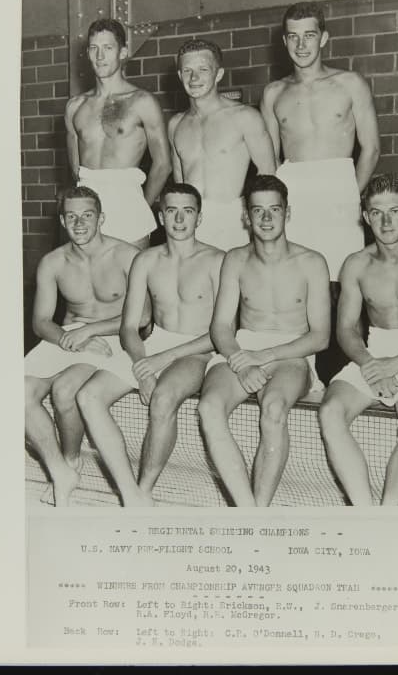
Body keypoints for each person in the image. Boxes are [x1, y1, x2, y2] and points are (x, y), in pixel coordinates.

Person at [75, 183, 224, 506]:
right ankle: (129, 490)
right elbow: (131, 327)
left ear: (199, 218)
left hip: (197, 350)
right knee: (88, 396)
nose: (180, 219)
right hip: (154, 344)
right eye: (171, 211)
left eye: (188, 211)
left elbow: (223, 331)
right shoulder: (146, 260)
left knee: (163, 398)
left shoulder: (218, 260)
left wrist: (161, 361)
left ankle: (144, 489)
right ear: (160, 216)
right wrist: (143, 367)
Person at [197, 174, 330, 507]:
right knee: (209, 407)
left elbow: (320, 337)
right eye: (258, 211)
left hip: (291, 353)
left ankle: (261, 506)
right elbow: (221, 327)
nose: (267, 218)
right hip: (241, 349)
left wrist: (263, 356)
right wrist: (240, 360)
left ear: (288, 213)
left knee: (272, 409)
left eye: (275, 210)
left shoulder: (312, 262)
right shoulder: (235, 259)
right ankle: (248, 512)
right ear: (246, 216)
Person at [318, 173, 398, 506]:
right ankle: (366, 514)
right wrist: (369, 364)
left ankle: (389, 513)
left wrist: (396, 364)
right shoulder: (355, 264)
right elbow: (346, 329)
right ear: (366, 216)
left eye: (395, 210)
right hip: (373, 355)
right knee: (331, 411)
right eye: (376, 212)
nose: (386, 220)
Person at [24, 186, 139, 507]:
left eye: (87, 215)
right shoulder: (52, 262)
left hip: (114, 334)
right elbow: (42, 321)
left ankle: (72, 460)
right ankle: (60, 470)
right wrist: (67, 338)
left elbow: (142, 316)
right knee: (19, 393)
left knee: (64, 391)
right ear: (62, 221)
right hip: (69, 336)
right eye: (71, 216)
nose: (79, 223)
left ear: (101, 218)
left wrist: (91, 331)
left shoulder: (127, 255)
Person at [260, 1, 381, 282]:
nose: (301, 45)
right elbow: (269, 161)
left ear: (324, 38)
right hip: (293, 190)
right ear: (284, 41)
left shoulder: (350, 83)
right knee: (293, 280)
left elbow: (372, 148)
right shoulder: (273, 93)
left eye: (309, 35)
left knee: (339, 282)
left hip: (339, 187)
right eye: (293, 36)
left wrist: (350, 192)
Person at [65, 18, 172, 250]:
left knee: (130, 282)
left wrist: (140, 204)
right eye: (94, 48)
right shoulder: (75, 106)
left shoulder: (142, 101)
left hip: (128, 201)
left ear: (123, 52)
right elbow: (75, 166)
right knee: (87, 282)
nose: (100, 56)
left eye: (108, 48)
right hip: (87, 201)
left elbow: (163, 163)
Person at [169, 39, 276, 250]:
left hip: (232, 222)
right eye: (187, 70)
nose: (194, 78)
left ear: (218, 74)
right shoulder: (176, 124)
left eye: (203, 69)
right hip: (189, 221)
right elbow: (179, 184)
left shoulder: (244, 116)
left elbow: (269, 175)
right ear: (180, 76)